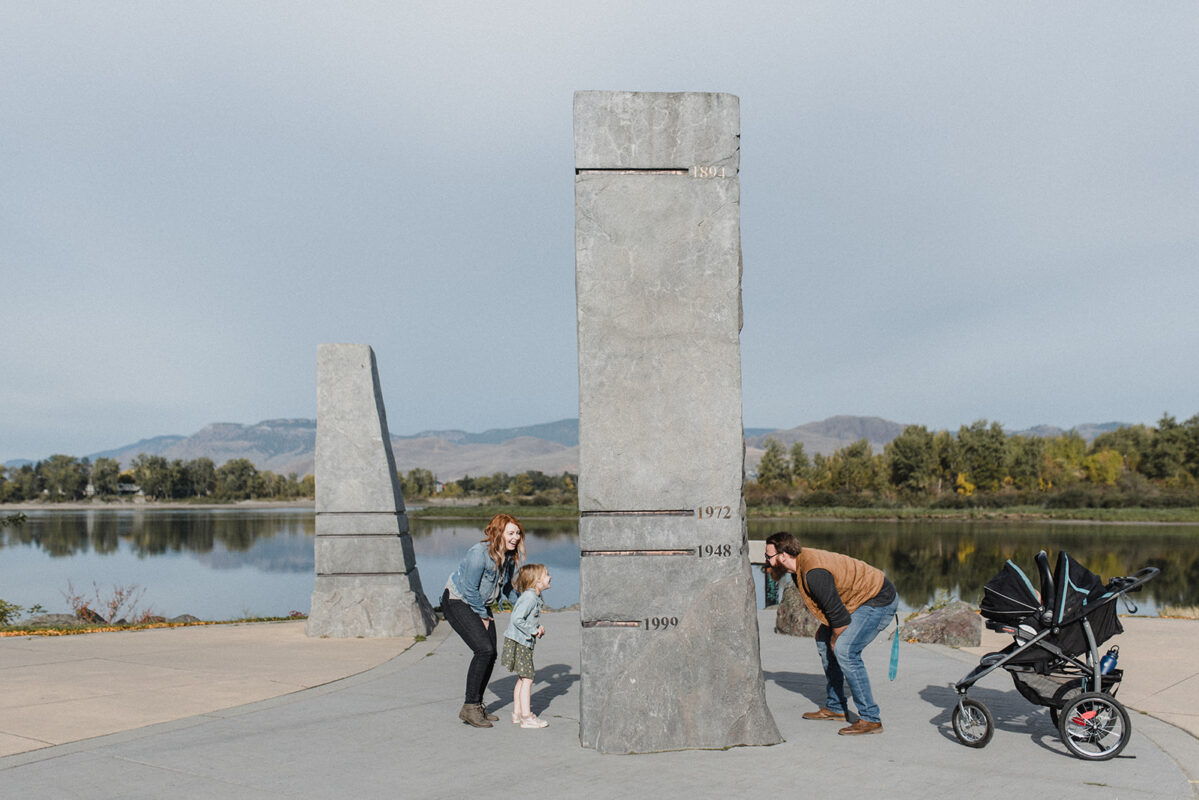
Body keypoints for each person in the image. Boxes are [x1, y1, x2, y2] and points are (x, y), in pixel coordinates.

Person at [764, 531, 898, 736]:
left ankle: (871, 718)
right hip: (857, 599)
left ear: (783, 556)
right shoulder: (799, 566)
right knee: (823, 640)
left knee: (845, 650)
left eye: (768, 557)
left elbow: (839, 619)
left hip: (878, 599)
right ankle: (836, 707)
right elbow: (830, 605)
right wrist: (827, 634)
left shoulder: (813, 573)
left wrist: (836, 639)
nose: (767, 562)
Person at [442, 513, 525, 728]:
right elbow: (469, 590)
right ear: (498, 533)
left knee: (491, 653)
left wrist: (525, 605)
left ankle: (476, 705)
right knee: (484, 650)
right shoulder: (478, 554)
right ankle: (470, 706)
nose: (516, 537)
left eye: (518, 533)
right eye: (511, 533)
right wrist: (483, 616)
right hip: (457, 601)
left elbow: (506, 588)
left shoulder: (507, 557)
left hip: (480, 602)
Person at [501, 563, 551, 729]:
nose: (550, 577)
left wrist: (537, 628)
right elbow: (517, 619)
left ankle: (516, 714)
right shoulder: (529, 598)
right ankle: (526, 717)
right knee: (528, 678)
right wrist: (533, 630)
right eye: (546, 575)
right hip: (520, 642)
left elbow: (527, 619)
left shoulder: (533, 596)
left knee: (522, 678)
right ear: (537, 581)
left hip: (520, 641)